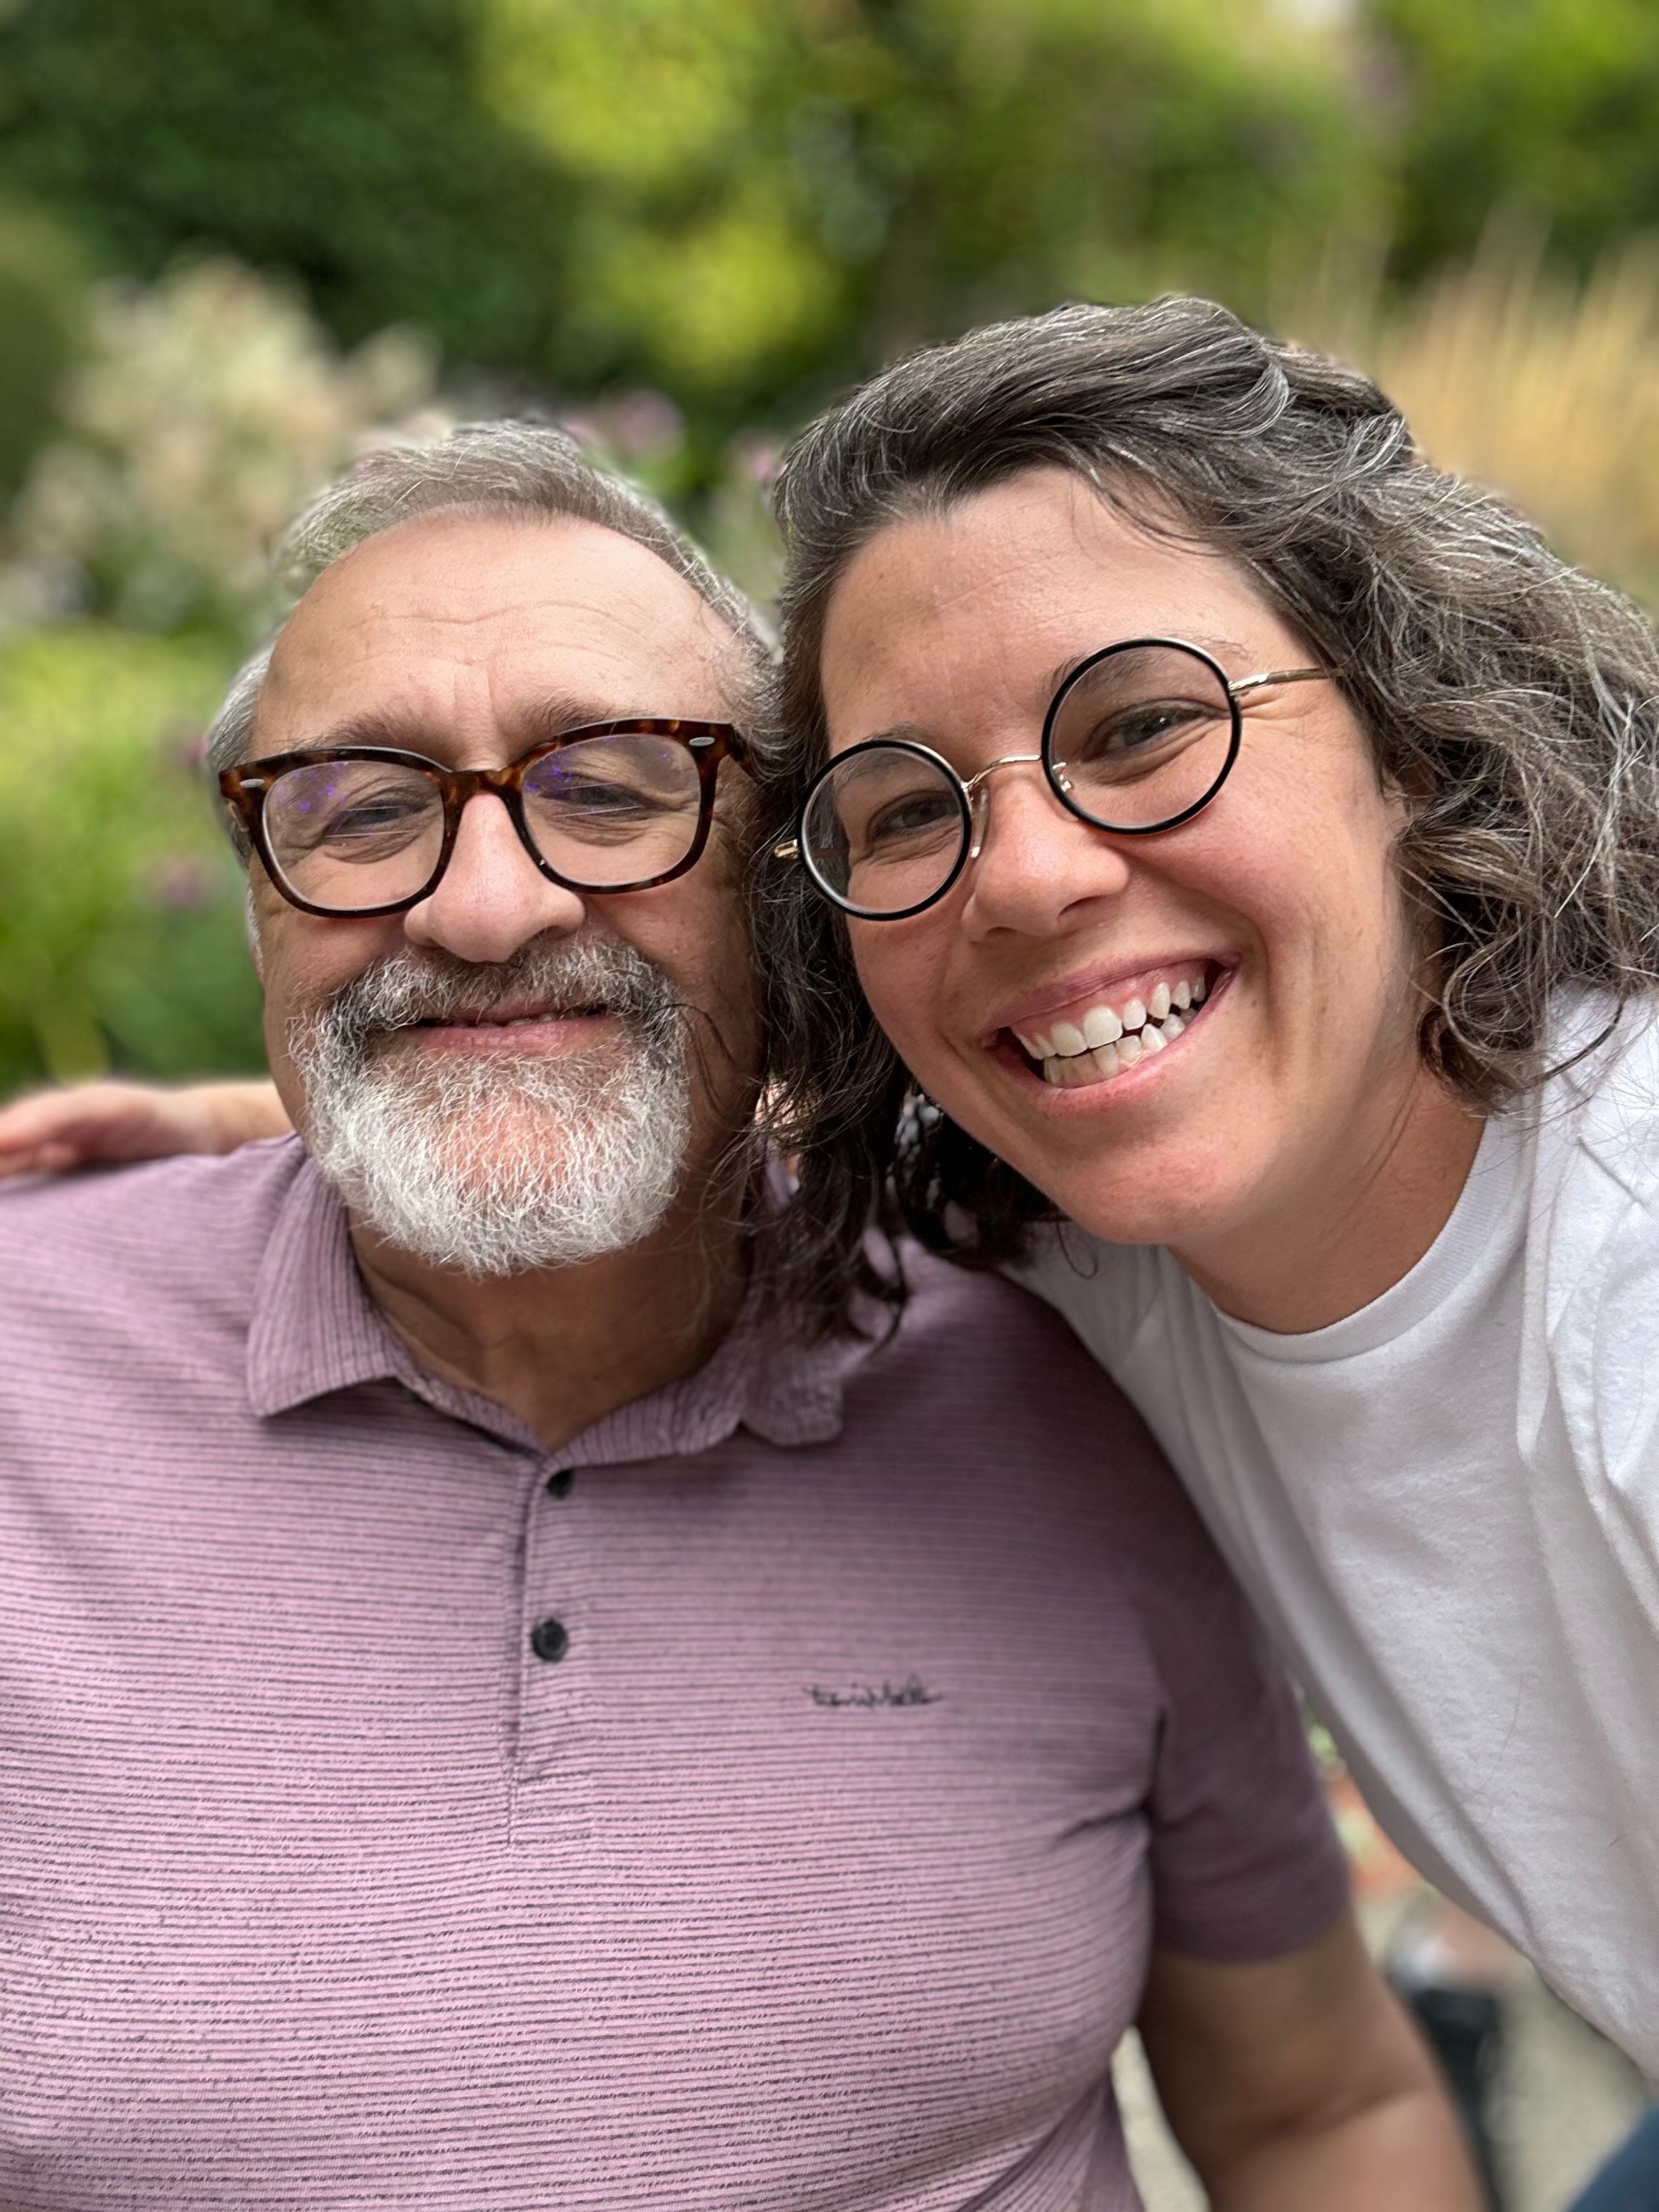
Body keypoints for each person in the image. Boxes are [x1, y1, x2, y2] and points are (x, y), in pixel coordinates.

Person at [0, 425, 1477, 2211]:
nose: (484, 905)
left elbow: (1315, 2107)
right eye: (363, 809)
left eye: (612, 789)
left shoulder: (1082, 1359)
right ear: (258, 906)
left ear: (790, 897)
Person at [744, 297, 1659, 2078]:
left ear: (1411, 733)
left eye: (1144, 724)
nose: (1025, 879)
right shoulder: (1074, 1232)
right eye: (907, 810)